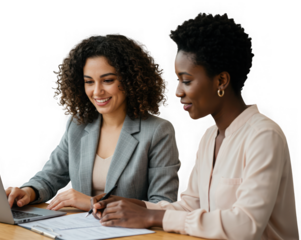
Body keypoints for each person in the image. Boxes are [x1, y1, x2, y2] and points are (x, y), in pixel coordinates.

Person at [90, 13, 299, 239]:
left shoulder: (264, 136)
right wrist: (141, 208)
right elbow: (191, 207)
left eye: (186, 80)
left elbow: (245, 226)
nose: (178, 91)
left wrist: (154, 218)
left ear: (221, 81)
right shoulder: (210, 136)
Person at [5, 33, 182, 212]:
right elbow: (49, 177)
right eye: (89, 82)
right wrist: (28, 191)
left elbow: (164, 204)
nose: (97, 91)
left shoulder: (158, 131)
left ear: (130, 80)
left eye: (108, 80)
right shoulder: (77, 125)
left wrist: (93, 203)